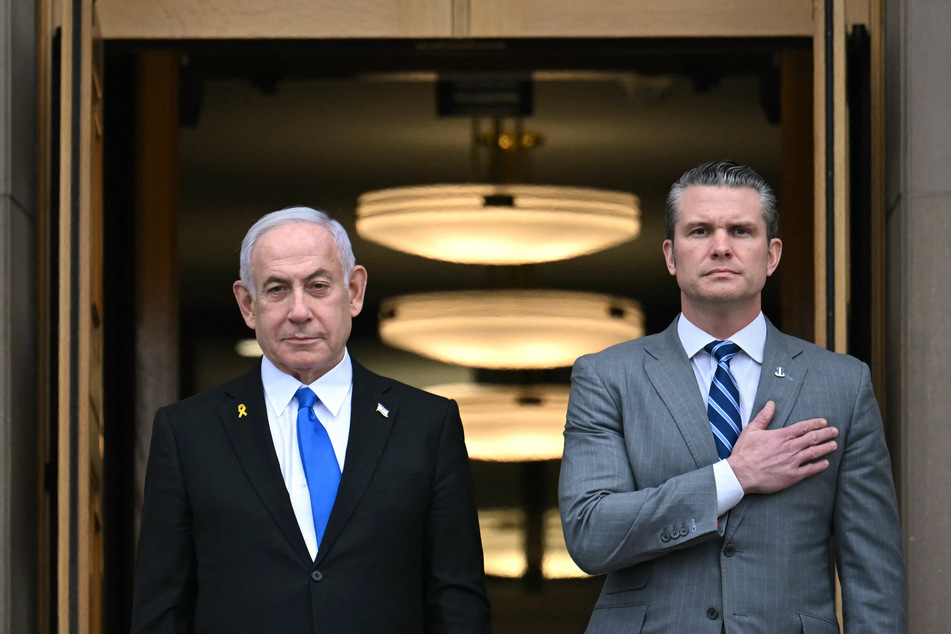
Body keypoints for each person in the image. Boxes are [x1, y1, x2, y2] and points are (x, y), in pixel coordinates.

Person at [559, 161, 906, 633]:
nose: (721, 247)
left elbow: (873, 575)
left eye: (741, 231)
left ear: (771, 255)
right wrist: (733, 477)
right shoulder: (607, 376)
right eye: (699, 231)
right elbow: (590, 534)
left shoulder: (843, 383)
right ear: (670, 255)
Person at [131, 207, 491, 633]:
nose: (299, 311)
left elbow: (457, 601)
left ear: (354, 292)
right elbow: (162, 609)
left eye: (318, 287)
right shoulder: (189, 433)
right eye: (277, 289)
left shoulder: (426, 425)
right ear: (248, 305)